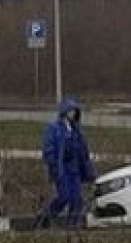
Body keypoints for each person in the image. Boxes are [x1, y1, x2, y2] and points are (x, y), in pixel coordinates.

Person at [39, 97, 95, 228]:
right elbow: (49, 149)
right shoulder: (54, 128)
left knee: (77, 200)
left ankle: (71, 226)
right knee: (64, 197)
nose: (73, 114)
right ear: (64, 111)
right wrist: (53, 165)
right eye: (70, 111)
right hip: (61, 168)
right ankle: (45, 218)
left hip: (75, 169)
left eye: (75, 111)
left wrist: (89, 170)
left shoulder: (77, 130)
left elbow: (84, 152)